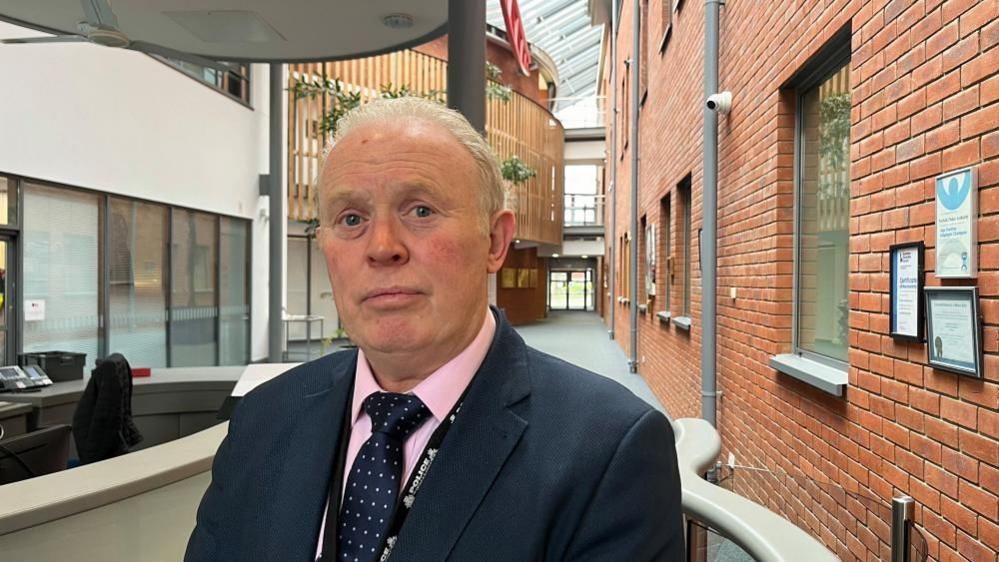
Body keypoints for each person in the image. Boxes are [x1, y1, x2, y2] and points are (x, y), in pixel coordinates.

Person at [185, 97, 683, 561]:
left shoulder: (609, 452)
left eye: (420, 211)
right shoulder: (264, 418)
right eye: (351, 218)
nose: (382, 246)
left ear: (494, 240)